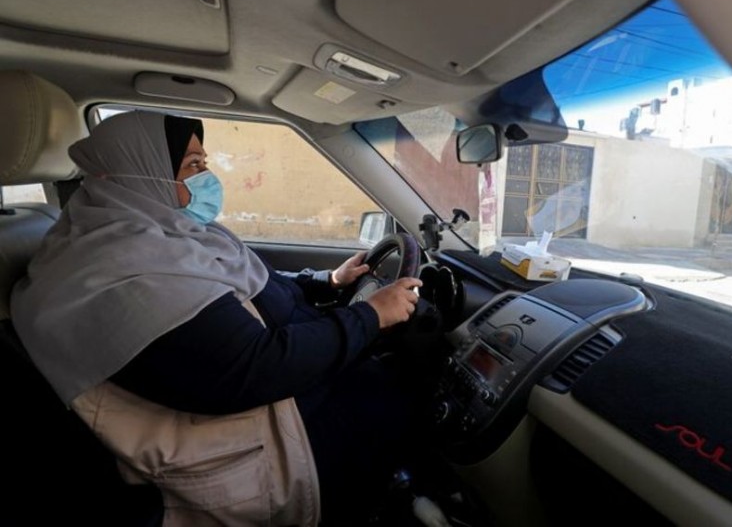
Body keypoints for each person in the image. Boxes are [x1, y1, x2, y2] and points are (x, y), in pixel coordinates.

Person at [10, 110, 428, 526]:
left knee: (384, 386)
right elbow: (252, 369)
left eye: (204, 163)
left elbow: (253, 288)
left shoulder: (161, 233)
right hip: (238, 451)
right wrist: (369, 316)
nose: (207, 177)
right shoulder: (114, 272)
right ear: (137, 174)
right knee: (400, 402)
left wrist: (326, 281)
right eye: (192, 166)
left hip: (272, 404)